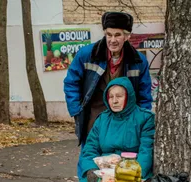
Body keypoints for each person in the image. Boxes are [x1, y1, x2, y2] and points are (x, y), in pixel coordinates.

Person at [64, 11, 153, 148]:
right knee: (90, 156)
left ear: (127, 36)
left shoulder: (138, 61)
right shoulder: (87, 54)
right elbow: (71, 82)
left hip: (125, 120)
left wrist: (141, 120)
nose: (112, 40)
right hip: (93, 117)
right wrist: (77, 111)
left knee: (120, 159)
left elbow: (144, 94)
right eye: (109, 35)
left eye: (117, 35)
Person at [78, 77, 155, 182]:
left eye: (119, 96)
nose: (114, 101)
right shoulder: (102, 119)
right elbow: (90, 148)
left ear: (129, 96)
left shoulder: (144, 118)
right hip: (104, 168)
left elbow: (146, 150)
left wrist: (134, 172)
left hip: (132, 168)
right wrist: (91, 170)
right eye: (111, 97)